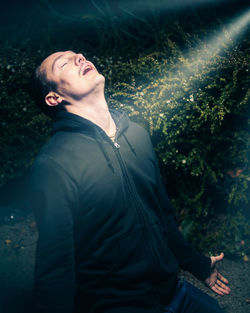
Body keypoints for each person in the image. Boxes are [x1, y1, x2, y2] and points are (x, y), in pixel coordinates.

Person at [28, 50, 230, 313]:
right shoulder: (55, 164)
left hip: (173, 292)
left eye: (78, 54)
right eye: (64, 63)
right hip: (117, 305)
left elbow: (163, 216)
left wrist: (198, 265)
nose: (79, 57)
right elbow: (56, 267)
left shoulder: (136, 135)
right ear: (54, 97)